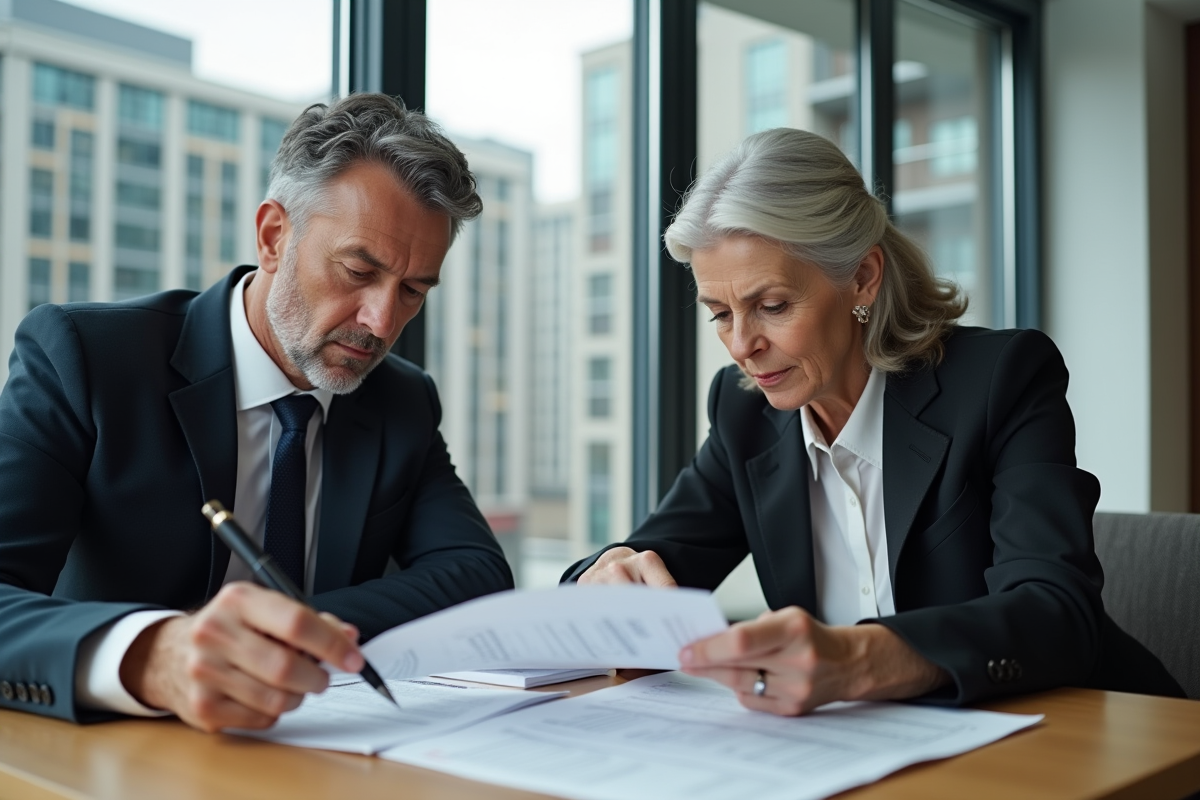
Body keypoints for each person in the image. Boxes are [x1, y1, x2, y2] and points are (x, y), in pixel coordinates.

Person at [567, 127, 1183, 714]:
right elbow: (646, 558)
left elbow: (1056, 613)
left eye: (772, 306)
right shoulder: (743, 413)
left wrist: (861, 657)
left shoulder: (1001, 379)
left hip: (1087, 737)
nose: (741, 345)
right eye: (720, 314)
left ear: (862, 277)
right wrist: (603, 583)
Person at [0, 94, 513, 732]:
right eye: (358, 270)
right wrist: (157, 653)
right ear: (274, 236)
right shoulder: (85, 359)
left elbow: (476, 574)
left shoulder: (401, 399)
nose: (381, 322)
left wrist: (285, 637)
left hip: (315, 748)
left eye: (412, 291)